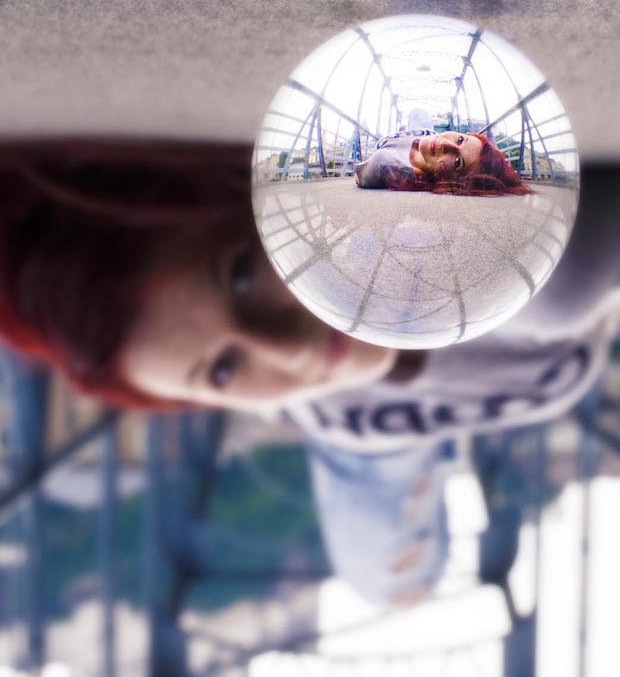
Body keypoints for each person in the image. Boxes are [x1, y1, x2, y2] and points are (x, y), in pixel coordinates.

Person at [0, 138, 618, 606]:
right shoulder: (557, 286)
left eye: (242, 276)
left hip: (364, 437)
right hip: (377, 424)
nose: (289, 350)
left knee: (384, 576)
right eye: (222, 373)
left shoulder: (552, 274)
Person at [355, 130, 532, 196]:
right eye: (460, 139)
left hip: (400, 141)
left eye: (457, 162)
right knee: (419, 113)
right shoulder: (435, 139)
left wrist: (413, 177)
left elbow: (368, 170)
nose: (447, 144)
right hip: (424, 131)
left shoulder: (391, 163)